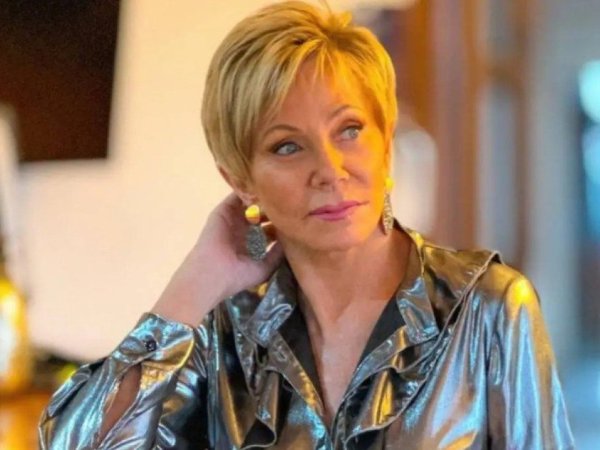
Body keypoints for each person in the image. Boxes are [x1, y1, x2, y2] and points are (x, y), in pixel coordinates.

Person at [39, 1, 574, 449]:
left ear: (386, 143)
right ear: (240, 180)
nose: (330, 171)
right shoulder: (222, 334)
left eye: (349, 130)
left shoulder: (488, 309)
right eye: (287, 146)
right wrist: (191, 286)